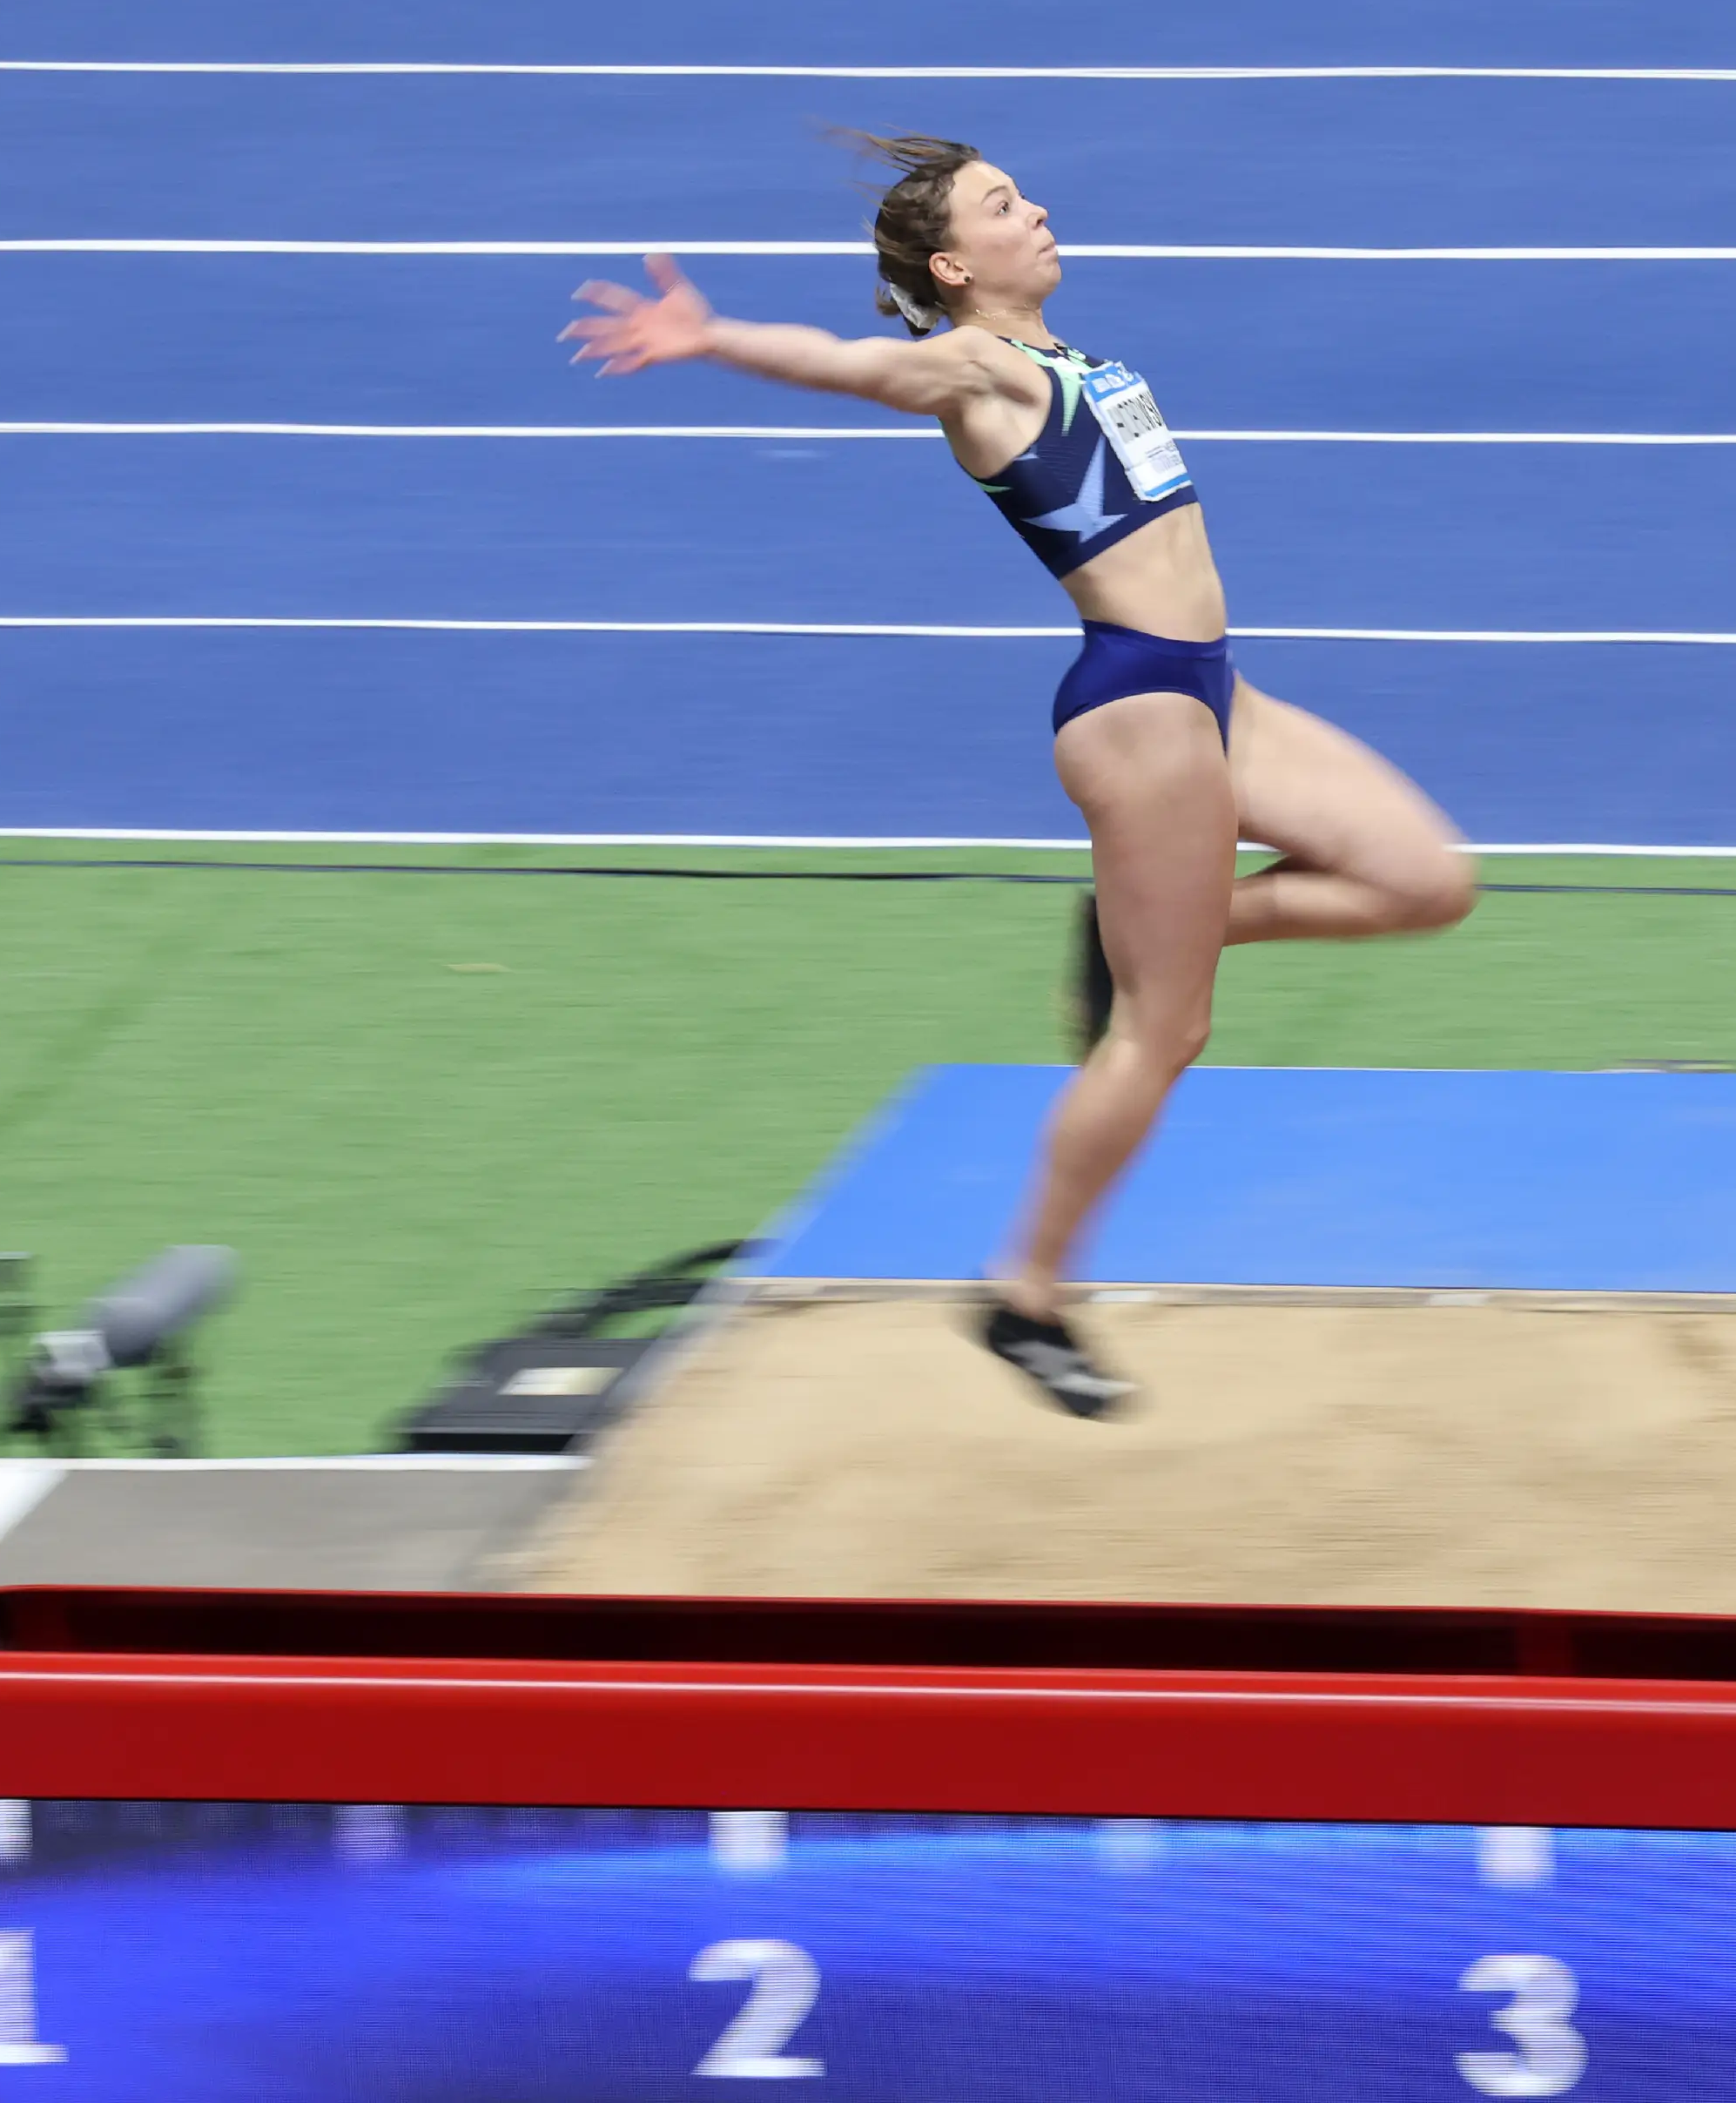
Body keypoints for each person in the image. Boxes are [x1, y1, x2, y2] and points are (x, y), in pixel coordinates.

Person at [562, 135, 1475, 1419]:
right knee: (1167, 1033)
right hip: (1141, 708)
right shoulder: (979, 366)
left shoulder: (1078, 360)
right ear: (955, 262)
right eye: (1003, 205)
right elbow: (870, 364)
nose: (1036, 209)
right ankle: (1027, 1298)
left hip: (1220, 690)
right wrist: (715, 338)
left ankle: (1159, 927)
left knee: (1426, 880)